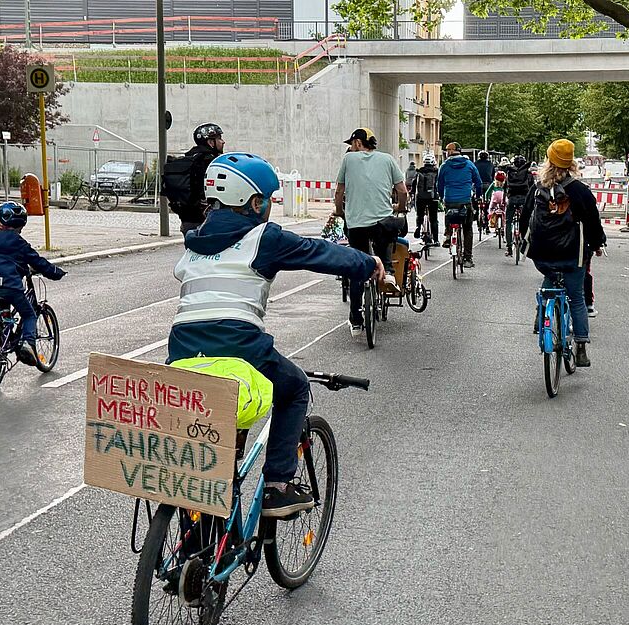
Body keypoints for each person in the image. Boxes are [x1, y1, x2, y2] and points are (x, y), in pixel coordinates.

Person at [171, 152, 382, 516]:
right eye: (267, 199)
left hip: (182, 349)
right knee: (295, 386)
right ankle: (277, 486)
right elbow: (318, 252)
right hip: (240, 345)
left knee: (209, 408)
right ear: (254, 202)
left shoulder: (194, 243)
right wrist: (368, 263)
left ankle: (197, 525)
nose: (269, 207)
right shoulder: (261, 238)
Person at [523, 139, 603, 366]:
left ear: (548, 161)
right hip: (572, 256)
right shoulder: (580, 191)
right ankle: (581, 348)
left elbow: (525, 217)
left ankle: (542, 314)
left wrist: (521, 238)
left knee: (549, 281)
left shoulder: (537, 189)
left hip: (542, 255)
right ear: (571, 164)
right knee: (576, 297)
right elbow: (592, 223)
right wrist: (597, 244)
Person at [332, 128, 407, 337]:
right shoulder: (388, 159)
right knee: (385, 241)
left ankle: (356, 321)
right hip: (382, 221)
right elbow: (402, 191)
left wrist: (340, 211)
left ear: (357, 143)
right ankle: (389, 273)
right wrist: (400, 208)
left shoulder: (349, 160)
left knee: (358, 267)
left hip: (356, 223)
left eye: (352, 143)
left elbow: (339, 191)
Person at [0, 201, 66, 364]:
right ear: (21, 224)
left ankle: (3, 338)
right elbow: (37, 262)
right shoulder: (20, 243)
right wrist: (55, 272)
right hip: (11, 285)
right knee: (29, 314)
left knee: (4, 309)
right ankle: (27, 343)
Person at [162, 122, 225, 233]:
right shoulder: (210, 162)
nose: (223, 142)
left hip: (186, 218)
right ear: (211, 142)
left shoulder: (190, 158)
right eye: (219, 138)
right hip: (204, 219)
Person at [437, 142, 482, 266]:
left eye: (447, 150)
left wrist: (441, 196)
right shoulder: (469, 165)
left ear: (451, 152)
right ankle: (468, 258)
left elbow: (439, 184)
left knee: (449, 214)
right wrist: (478, 196)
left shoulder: (445, 166)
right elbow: (478, 182)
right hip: (465, 201)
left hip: (450, 200)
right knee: (467, 229)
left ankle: (448, 234)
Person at [504, 155, 533, 255]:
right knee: (528, 220)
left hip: (512, 199)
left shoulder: (510, 172)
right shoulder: (528, 173)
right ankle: (527, 243)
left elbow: (505, 186)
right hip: (524, 199)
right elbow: (532, 188)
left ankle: (508, 246)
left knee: (508, 221)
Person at [413, 155, 440, 243]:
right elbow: (439, 185)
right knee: (434, 219)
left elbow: (414, 185)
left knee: (420, 215)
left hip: (420, 197)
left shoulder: (419, 172)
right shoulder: (436, 172)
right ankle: (436, 240)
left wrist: (413, 193)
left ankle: (418, 227)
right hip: (433, 198)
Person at [473, 150, 495, 232]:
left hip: (478, 184)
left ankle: (475, 210)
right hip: (487, 185)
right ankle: (487, 225)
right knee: (487, 204)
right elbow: (493, 176)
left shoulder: (475, 164)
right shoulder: (490, 164)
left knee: (475, 197)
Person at [485, 170, 507, 235]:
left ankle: (492, 220)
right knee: (504, 209)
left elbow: (487, 192)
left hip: (495, 197)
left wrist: (486, 199)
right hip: (502, 197)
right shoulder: (505, 184)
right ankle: (504, 222)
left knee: (491, 209)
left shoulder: (494, 184)